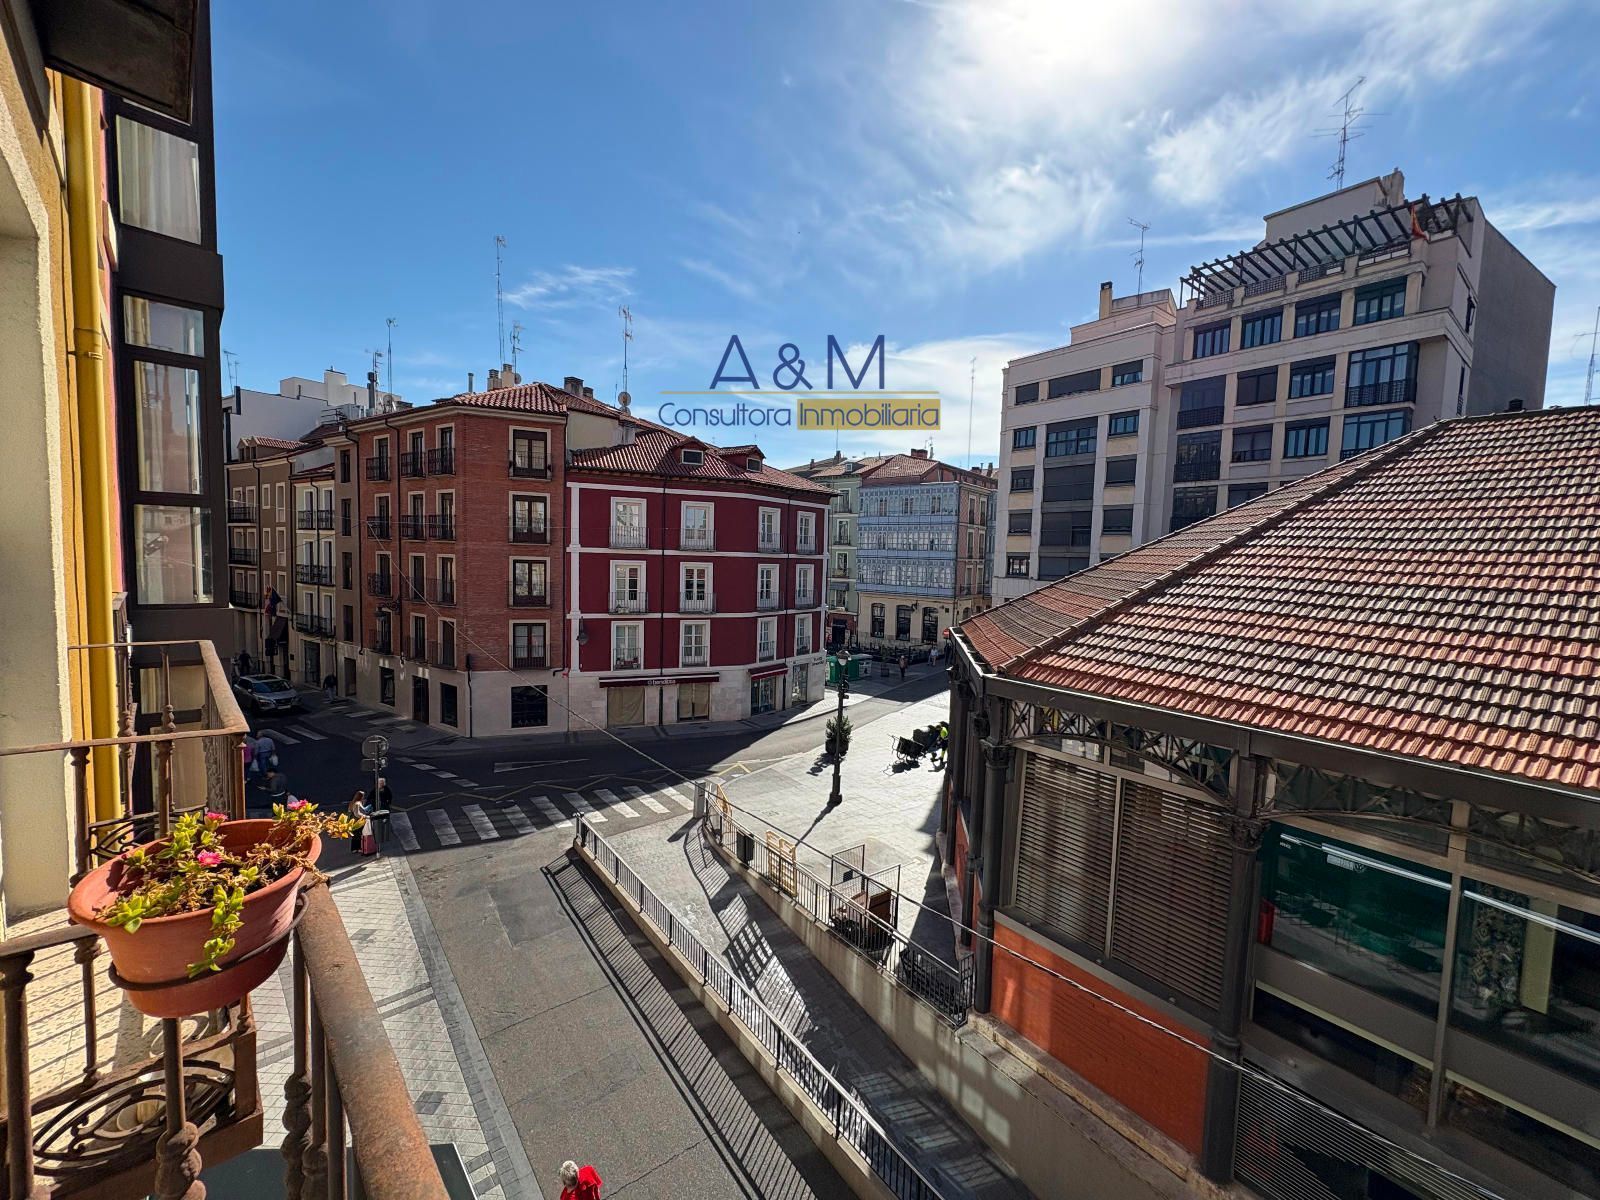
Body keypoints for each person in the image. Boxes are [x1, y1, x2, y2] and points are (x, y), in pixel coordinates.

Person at [348, 790, 371, 855]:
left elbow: (350, 811)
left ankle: (353, 849)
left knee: (354, 835)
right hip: (357, 821)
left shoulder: (352, 802)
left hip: (352, 821)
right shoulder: (357, 803)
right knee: (358, 834)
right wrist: (365, 816)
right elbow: (357, 813)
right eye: (363, 796)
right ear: (361, 796)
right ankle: (358, 848)